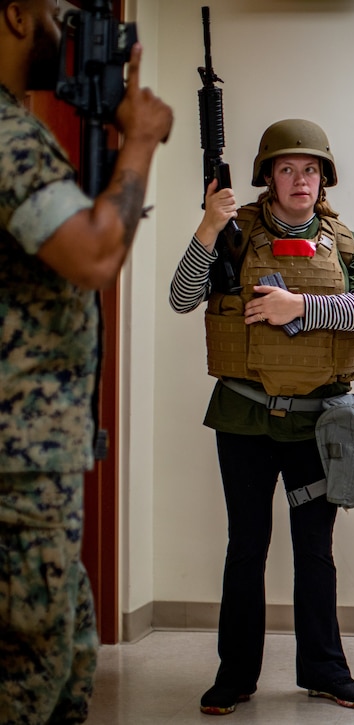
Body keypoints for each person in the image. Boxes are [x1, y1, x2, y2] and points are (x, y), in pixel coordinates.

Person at [168, 119, 354, 715]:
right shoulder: (234, 235)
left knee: (315, 548)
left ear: (324, 177)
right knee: (247, 546)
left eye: (310, 169)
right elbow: (183, 297)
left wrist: (299, 305)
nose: (300, 180)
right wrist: (208, 227)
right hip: (244, 419)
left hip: (316, 422)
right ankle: (235, 675)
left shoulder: (345, 242)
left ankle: (323, 669)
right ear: (267, 176)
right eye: (287, 169)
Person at [0, 0, 173, 720]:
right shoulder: (8, 137)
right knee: (29, 673)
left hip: (36, 452)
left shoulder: (22, 128)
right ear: (15, 17)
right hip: (18, 458)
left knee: (66, 656)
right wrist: (139, 141)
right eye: (51, 14)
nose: (60, 31)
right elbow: (94, 253)